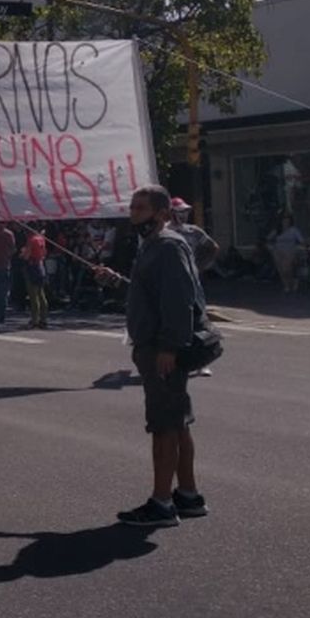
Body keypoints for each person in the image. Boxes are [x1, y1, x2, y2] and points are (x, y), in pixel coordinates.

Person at [99, 187, 209, 528]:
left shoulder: (167, 245)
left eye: (142, 208)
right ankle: (188, 496)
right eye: (132, 207)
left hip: (162, 349)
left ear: (162, 213)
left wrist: (169, 348)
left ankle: (162, 504)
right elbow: (148, 292)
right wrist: (117, 282)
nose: (134, 213)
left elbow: (178, 300)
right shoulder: (153, 245)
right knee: (177, 421)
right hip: (157, 346)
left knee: (163, 425)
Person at [168, 198, 220, 271]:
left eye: (186, 211)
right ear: (171, 212)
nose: (184, 214)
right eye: (181, 211)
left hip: (189, 274)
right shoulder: (162, 231)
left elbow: (214, 248)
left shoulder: (193, 231)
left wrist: (201, 266)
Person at [21, 225, 49, 329]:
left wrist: (22, 254)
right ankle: (44, 318)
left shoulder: (31, 240)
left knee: (33, 295)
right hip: (40, 265)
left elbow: (27, 255)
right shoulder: (41, 239)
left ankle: (34, 320)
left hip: (32, 266)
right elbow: (45, 253)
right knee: (41, 293)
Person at [270, 215, 306, 293]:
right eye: (284, 221)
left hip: (289, 251)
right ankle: (286, 285)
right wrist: (271, 246)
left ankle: (293, 281)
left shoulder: (294, 230)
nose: (285, 223)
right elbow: (269, 238)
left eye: (287, 221)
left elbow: (301, 240)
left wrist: (301, 248)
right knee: (280, 269)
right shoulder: (277, 230)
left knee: (286, 268)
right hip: (278, 251)